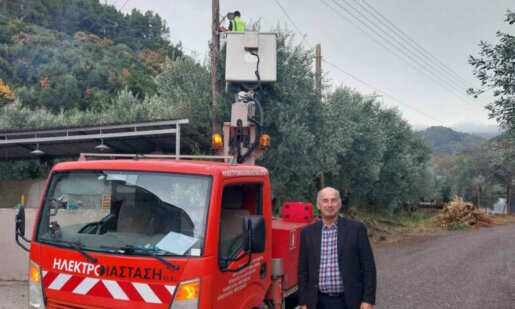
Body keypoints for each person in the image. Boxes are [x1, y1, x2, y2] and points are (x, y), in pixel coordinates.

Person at [298, 187, 376, 309]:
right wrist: (303, 302)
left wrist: (368, 300)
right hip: (317, 302)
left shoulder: (356, 229)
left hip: (349, 301)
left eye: (333, 200)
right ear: (318, 205)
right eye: (325, 200)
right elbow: (303, 270)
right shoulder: (307, 232)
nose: (329, 204)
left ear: (339, 204)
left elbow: (368, 267)